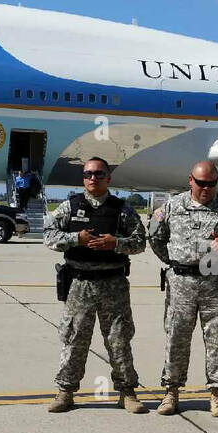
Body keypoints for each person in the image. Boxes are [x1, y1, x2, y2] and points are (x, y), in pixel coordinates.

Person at [149, 160, 218, 418]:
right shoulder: (173, 206)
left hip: (215, 284)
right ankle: (171, 392)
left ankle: (217, 396)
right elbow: (155, 236)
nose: (206, 188)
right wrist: (176, 262)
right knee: (176, 338)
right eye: (201, 183)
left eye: (212, 183)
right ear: (190, 180)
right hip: (181, 283)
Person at [43, 157, 148, 414]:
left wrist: (117, 244)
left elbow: (140, 242)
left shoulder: (122, 210)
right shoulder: (69, 207)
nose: (93, 178)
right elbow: (48, 236)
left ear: (108, 178)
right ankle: (65, 391)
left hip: (113, 283)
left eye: (99, 174)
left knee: (119, 339)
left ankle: (127, 392)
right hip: (80, 284)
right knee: (74, 338)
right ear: (83, 178)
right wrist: (75, 238)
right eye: (88, 174)